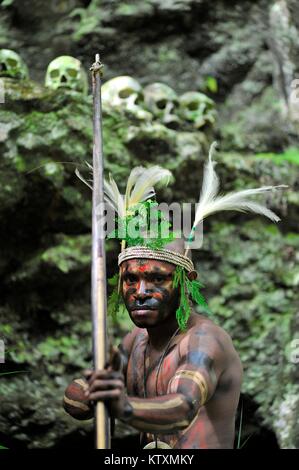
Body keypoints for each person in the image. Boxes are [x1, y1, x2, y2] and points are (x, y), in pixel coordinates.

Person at [63, 144, 285, 448]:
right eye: (131, 279)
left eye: (157, 278)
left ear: (186, 282)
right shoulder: (135, 342)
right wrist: (87, 391)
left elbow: (182, 408)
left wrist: (123, 406)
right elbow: (85, 397)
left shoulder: (205, 341)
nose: (140, 292)